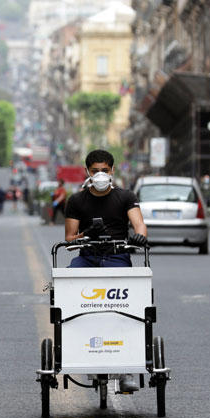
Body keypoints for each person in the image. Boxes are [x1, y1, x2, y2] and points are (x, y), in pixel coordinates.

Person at [63, 149, 148, 393]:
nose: (100, 174)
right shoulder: (76, 201)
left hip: (116, 257)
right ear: (87, 172)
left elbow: (139, 224)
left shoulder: (125, 197)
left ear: (112, 171)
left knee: (126, 307)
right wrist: (86, 235)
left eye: (104, 170)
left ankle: (126, 370)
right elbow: (69, 239)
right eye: (95, 170)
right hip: (87, 258)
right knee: (68, 288)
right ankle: (81, 353)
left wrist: (140, 237)